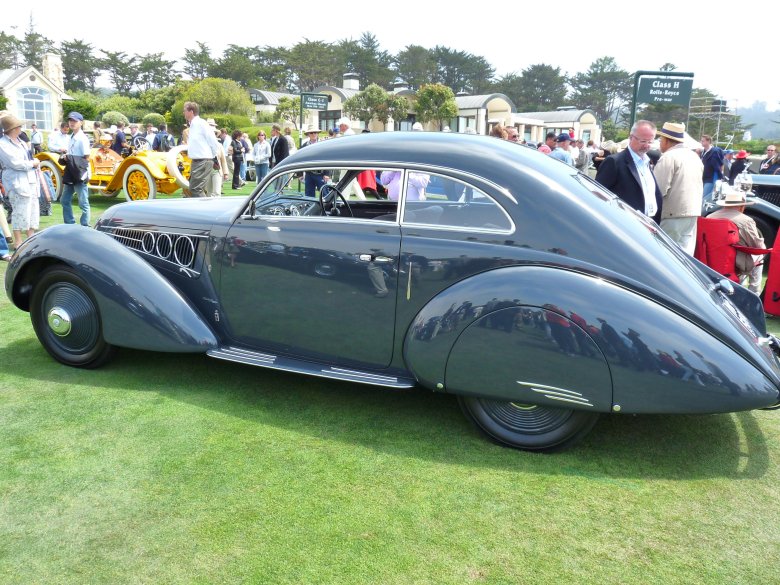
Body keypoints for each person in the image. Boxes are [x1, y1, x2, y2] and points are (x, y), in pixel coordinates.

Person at [595, 120, 662, 223]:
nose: (647, 146)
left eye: (650, 142)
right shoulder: (614, 162)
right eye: (643, 141)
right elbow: (598, 195)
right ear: (631, 137)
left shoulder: (647, 162)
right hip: (624, 224)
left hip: (649, 223)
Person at [653, 122, 704, 255]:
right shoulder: (694, 156)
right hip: (692, 213)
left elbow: (658, 190)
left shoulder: (668, 157)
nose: (659, 143)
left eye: (660, 140)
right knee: (684, 258)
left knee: (665, 255)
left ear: (666, 140)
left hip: (672, 213)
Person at [708, 189, 765, 293]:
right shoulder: (745, 221)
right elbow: (758, 246)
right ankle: (754, 291)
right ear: (742, 206)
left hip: (709, 260)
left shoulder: (709, 217)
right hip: (734, 262)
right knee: (760, 254)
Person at [0, 114, 41, 248]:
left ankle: (31, 238)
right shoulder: (2, 144)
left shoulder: (22, 142)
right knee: (19, 210)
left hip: (30, 179)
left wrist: (34, 163)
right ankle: (18, 242)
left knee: (33, 208)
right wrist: (32, 163)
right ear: (13, 129)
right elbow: (14, 163)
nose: (21, 128)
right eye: (19, 126)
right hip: (16, 181)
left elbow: (27, 158)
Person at [182, 101, 221, 197]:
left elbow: (212, 141)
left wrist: (214, 156)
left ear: (191, 112)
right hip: (199, 161)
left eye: (185, 111)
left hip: (202, 160)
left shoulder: (200, 123)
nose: (183, 113)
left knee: (195, 188)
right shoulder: (195, 124)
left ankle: (205, 210)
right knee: (195, 188)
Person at [59, 112, 91, 226]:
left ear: (81, 123)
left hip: (79, 173)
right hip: (71, 172)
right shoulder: (72, 136)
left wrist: (73, 161)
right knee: (64, 200)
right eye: (70, 121)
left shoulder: (82, 138)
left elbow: (87, 157)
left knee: (83, 203)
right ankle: (70, 224)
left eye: (75, 121)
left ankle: (85, 225)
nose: (72, 123)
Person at [299, 125, 329, 197]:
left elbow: (327, 159)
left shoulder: (323, 145)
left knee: (325, 195)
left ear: (317, 133)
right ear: (308, 134)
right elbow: (300, 159)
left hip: (321, 174)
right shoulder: (304, 146)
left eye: (315, 132)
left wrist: (327, 173)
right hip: (309, 174)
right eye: (312, 133)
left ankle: (327, 208)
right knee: (309, 196)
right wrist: (300, 174)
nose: (314, 134)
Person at [205, 120, 229, 197]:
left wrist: (225, 173)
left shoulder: (219, 145)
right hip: (206, 171)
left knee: (217, 192)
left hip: (217, 170)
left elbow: (223, 160)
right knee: (209, 193)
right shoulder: (203, 145)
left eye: (214, 133)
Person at [700, 134, 724, 203]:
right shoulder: (703, 152)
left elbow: (720, 164)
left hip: (712, 177)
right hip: (704, 177)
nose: (701, 142)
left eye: (703, 141)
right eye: (701, 141)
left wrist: (720, 176)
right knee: (703, 196)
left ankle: (703, 212)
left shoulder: (715, 151)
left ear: (708, 141)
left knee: (705, 197)